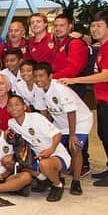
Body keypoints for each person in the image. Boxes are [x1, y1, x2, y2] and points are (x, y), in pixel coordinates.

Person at [60, 11, 108, 187]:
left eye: (99, 26)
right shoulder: (104, 45)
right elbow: (91, 43)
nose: (95, 29)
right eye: (93, 25)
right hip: (104, 99)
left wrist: (74, 79)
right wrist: (83, 36)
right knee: (104, 134)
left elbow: (104, 76)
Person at [34, 62, 93, 195]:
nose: (38, 79)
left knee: (75, 147)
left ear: (50, 76)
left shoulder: (60, 89)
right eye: (36, 76)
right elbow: (44, 113)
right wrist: (47, 132)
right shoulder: (38, 89)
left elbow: (71, 112)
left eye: (41, 76)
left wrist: (72, 135)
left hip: (79, 121)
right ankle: (57, 177)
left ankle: (76, 182)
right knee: (52, 146)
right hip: (60, 122)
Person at [7, 95, 71, 202]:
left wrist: (50, 149)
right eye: (11, 106)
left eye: (17, 105)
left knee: (44, 164)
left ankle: (57, 185)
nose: (14, 108)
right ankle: (43, 179)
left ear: (24, 107)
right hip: (37, 155)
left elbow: (57, 134)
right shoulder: (11, 123)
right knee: (9, 161)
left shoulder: (36, 117)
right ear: (7, 109)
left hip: (56, 154)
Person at [51, 14, 90, 99]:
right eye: (56, 25)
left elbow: (73, 69)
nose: (58, 28)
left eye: (62, 25)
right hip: (60, 84)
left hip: (72, 86)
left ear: (70, 26)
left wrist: (52, 77)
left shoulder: (75, 43)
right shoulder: (58, 43)